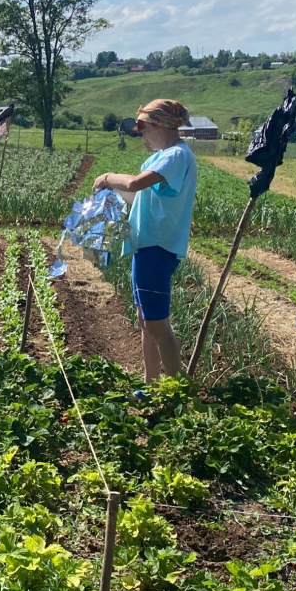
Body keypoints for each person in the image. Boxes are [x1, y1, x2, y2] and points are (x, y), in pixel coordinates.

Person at [91, 99, 197, 383]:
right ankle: (150, 384)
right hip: (147, 245)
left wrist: (107, 177)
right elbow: (138, 196)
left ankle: (176, 391)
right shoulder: (162, 157)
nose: (142, 135)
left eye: (144, 128)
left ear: (161, 125)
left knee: (157, 324)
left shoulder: (176, 155)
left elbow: (134, 183)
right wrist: (110, 198)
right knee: (145, 321)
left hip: (158, 247)